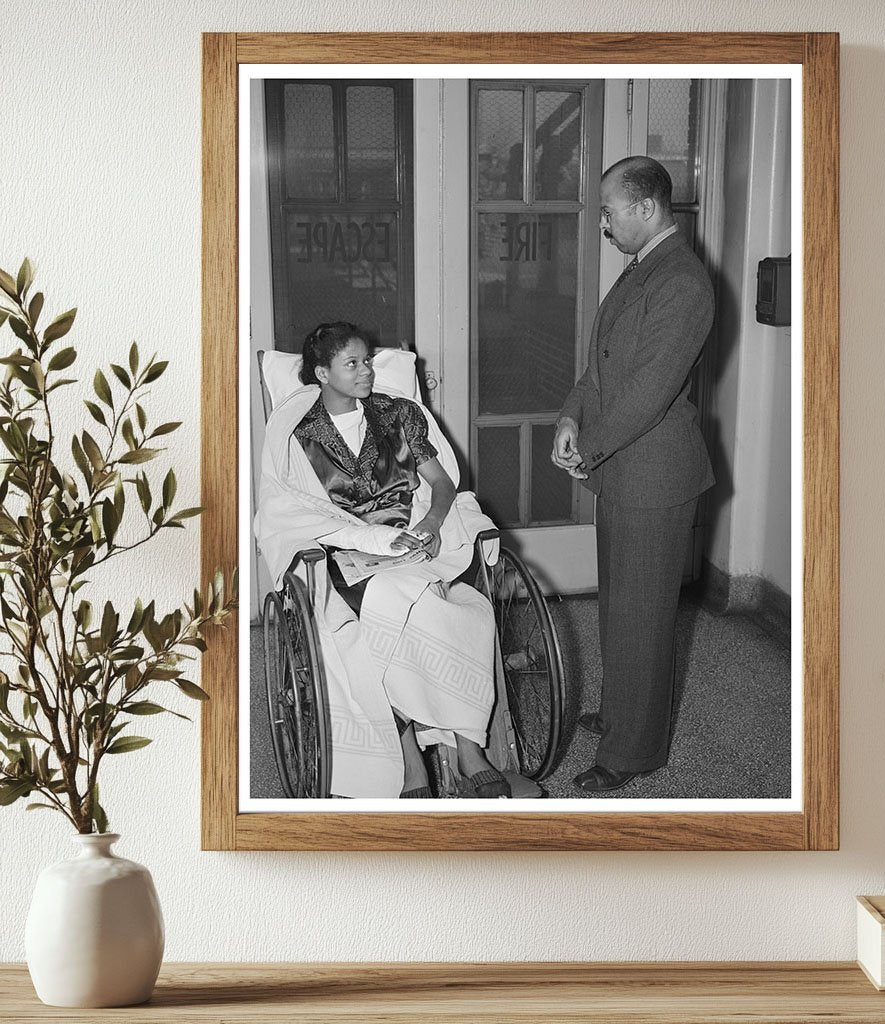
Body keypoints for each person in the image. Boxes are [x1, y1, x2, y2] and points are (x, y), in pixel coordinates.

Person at [256, 322, 511, 799]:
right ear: (322, 373)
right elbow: (288, 508)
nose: (366, 371)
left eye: (368, 361)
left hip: (412, 542)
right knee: (404, 605)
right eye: (352, 363)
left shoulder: (398, 414)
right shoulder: (297, 434)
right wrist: (367, 539)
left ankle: (466, 746)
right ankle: (412, 756)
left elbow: (442, 483)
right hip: (346, 554)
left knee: (452, 610)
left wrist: (432, 523)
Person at [551, 156, 715, 793]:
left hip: (654, 476)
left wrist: (587, 449)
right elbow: (600, 366)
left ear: (646, 208)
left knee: (644, 616)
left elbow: (648, 391)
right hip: (623, 468)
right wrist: (571, 417)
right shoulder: (642, 267)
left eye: (609, 212)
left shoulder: (683, 281)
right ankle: (624, 713)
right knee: (620, 606)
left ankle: (634, 750)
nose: (603, 224)